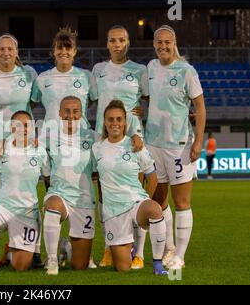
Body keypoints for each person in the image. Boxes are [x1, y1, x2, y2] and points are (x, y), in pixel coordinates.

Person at [0, 33, 40, 267]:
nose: (6, 53)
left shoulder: (28, 74)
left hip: (23, 138)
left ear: (17, 51)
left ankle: (34, 248)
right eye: (2, 49)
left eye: (10, 49)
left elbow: (32, 103)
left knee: (27, 190)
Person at [145, 25, 206, 270]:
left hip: (178, 146)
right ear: (154, 44)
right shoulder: (150, 68)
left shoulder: (186, 70)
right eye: (158, 42)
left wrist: (198, 141)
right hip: (152, 144)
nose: (163, 46)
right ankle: (169, 247)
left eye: (167, 42)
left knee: (182, 201)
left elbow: (200, 108)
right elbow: (148, 99)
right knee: (159, 199)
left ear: (174, 42)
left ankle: (179, 256)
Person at [92, 25, 149, 269]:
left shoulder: (140, 70)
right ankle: (108, 246)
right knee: (105, 195)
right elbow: (91, 99)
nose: (117, 44)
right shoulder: (98, 70)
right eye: (112, 40)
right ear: (107, 43)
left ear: (128, 43)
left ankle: (140, 252)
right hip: (103, 138)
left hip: (131, 137)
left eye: (122, 40)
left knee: (135, 193)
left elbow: (149, 98)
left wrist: (141, 111)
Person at [92, 100, 167, 275]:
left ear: (125, 122)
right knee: (122, 268)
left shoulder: (135, 145)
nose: (115, 123)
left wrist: (145, 200)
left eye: (119, 119)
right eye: (110, 119)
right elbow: (95, 177)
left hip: (135, 203)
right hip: (113, 211)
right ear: (104, 122)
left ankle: (157, 264)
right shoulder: (97, 149)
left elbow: (153, 177)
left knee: (155, 210)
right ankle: (129, 249)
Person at [0, 111, 49, 276]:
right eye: (18, 125)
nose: (23, 129)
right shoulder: (3, 148)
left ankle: (11, 250)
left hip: (26, 212)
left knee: (20, 266)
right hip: (3, 207)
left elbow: (49, 178)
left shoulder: (40, 151)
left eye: (26, 125)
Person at [41, 96, 100, 275]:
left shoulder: (93, 137)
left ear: (81, 114)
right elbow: (46, 173)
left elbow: (98, 170)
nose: (71, 115)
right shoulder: (49, 139)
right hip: (59, 195)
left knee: (80, 265)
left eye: (75, 111)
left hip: (84, 200)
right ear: (59, 113)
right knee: (53, 206)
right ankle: (52, 260)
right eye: (67, 111)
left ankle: (66, 248)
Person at [31, 27, 98, 129]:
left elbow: (96, 101)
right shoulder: (43, 78)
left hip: (80, 134)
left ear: (74, 51)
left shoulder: (86, 76)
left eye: (68, 48)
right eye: (59, 48)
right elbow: (31, 104)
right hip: (52, 136)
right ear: (54, 51)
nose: (63, 51)